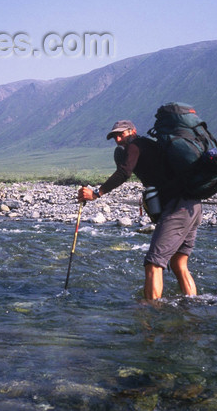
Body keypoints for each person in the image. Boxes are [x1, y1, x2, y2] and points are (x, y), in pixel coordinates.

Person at [77, 120, 202, 301]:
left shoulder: (134, 145)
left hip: (178, 207)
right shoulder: (151, 145)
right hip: (193, 204)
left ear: (133, 131)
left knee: (153, 263)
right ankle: (192, 307)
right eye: (115, 136)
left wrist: (96, 193)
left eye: (121, 134)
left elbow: (124, 173)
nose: (118, 139)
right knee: (178, 262)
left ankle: (151, 316)